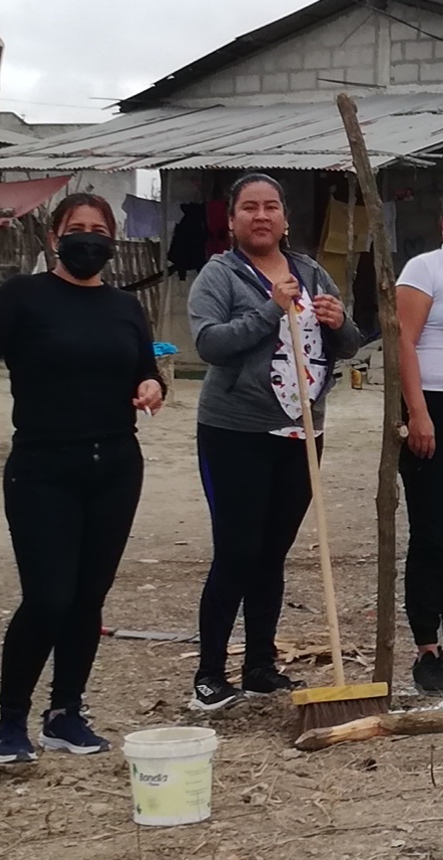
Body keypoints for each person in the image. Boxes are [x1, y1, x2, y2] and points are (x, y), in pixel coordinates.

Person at [0, 193, 165, 762]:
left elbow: (144, 368)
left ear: (111, 242)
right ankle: (11, 721)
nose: (88, 239)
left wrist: (152, 386)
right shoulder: (23, 295)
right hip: (43, 470)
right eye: (76, 228)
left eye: (99, 230)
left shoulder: (125, 306)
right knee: (48, 598)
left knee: (88, 597)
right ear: (54, 238)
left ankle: (65, 713)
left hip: (116, 466)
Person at [187, 173, 361, 711]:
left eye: (270, 207)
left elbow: (349, 345)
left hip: (302, 432)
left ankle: (260, 665)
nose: (260, 216)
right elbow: (209, 344)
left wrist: (339, 321)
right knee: (237, 550)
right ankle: (209, 674)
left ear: (285, 219)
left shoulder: (312, 272)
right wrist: (269, 309)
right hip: (236, 431)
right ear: (232, 220)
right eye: (249, 207)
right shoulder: (220, 275)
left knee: (273, 552)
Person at [397, 236, 443, 693]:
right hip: (432, 405)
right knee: (431, 531)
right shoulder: (424, 269)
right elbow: (404, 341)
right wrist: (418, 413)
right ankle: (427, 647)